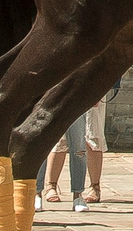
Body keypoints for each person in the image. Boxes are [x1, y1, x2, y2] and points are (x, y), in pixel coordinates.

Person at [42, 82, 111, 211]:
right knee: (59, 138)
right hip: (64, 87)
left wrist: (98, 89)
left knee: (93, 135)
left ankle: (94, 187)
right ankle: (51, 185)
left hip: (92, 86)